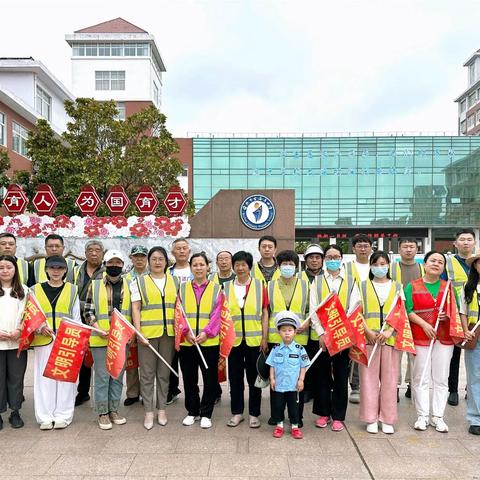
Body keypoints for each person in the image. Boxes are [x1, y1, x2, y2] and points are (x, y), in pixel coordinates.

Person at [406, 251, 464, 433]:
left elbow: (455, 311)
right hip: (420, 337)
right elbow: (408, 310)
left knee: (441, 378)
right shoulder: (412, 286)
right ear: (424, 263)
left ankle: (438, 416)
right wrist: (424, 324)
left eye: (440, 262)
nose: (436, 264)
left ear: (443, 267)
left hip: (443, 338)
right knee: (420, 377)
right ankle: (422, 416)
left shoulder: (449, 287)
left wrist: (447, 315)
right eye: (433, 260)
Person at [308, 245, 359, 432]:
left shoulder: (351, 281)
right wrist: (321, 333)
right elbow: (313, 309)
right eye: (328, 257)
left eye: (335, 256)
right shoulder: (318, 281)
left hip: (342, 336)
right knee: (322, 376)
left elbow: (354, 308)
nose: (332, 260)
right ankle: (323, 413)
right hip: (322, 338)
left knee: (340, 377)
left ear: (341, 258)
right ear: (324, 260)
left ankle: (338, 416)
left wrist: (340, 330)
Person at [30, 255, 81, 430]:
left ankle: (63, 415)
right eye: (52, 268)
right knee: (44, 379)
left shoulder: (73, 290)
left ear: (65, 270)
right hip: (44, 340)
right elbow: (30, 316)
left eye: (60, 268)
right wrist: (39, 327)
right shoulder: (34, 290)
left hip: (67, 340)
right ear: (46, 270)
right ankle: (45, 416)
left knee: (66, 379)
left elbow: (76, 318)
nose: (56, 271)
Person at [131, 247, 179, 430]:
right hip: (147, 336)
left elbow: (178, 308)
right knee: (147, 374)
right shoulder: (139, 282)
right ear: (149, 262)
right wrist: (138, 331)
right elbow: (136, 307)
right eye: (154, 259)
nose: (157, 262)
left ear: (166, 262)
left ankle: (162, 410)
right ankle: (149, 412)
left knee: (164, 374)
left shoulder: (174, 281)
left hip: (168, 334)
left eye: (161, 259)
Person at [83, 249, 131, 430]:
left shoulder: (130, 284)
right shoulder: (94, 285)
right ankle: (102, 412)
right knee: (102, 377)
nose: (114, 266)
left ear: (122, 265)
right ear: (105, 264)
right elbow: (88, 311)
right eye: (111, 263)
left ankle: (114, 410)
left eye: (118, 263)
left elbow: (132, 313)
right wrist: (98, 328)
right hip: (100, 339)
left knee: (117, 376)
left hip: (121, 340)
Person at [359, 251, 403, 434]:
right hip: (368, 339)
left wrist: (389, 331)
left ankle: (387, 419)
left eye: (383, 264)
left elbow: (401, 312)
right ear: (370, 266)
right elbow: (356, 311)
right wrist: (367, 331)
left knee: (389, 380)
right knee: (368, 380)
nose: (379, 268)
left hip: (389, 339)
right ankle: (370, 418)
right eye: (376, 264)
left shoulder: (397, 286)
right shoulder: (362, 286)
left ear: (389, 265)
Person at [223, 251, 268, 428]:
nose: (240, 268)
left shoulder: (259, 285)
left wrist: (264, 337)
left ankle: (254, 414)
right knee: (235, 378)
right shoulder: (225, 287)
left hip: (254, 340)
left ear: (249, 267)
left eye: (244, 264)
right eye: (237, 264)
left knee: (254, 378)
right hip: (233, 341)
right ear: (233, 266)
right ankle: (237, 413)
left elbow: (265, 313)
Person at [178, 252, 222, 429]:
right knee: (189, 378)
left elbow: (218, 315)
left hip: (208, 342)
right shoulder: (182, 288)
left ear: (207, 267)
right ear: (190, 267)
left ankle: (206, 413)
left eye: (201, 264)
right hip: (187, 342)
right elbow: (178, 313)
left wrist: (207, 333)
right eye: (195, 264)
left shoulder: (217, 289)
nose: (198, 268)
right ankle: (192, 411)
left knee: (210, 378)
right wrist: (186, 331)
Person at [267, 250, 309, 426]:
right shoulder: (270, 285)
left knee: (296, 380)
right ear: (278, 265)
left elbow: (309, 309)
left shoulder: (305, 285)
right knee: (276, 377)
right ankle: (276, 416)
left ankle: (296, 417)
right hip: (276, 337)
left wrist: (306, 323)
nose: (288, 267)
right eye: (284, 264)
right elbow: (266, 311)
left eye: (291, 264)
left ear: (296, 266)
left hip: (299, 338)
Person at [442, 229, 476, 407]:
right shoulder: (448, 263)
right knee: (453, 355)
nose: (465, 242)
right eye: (462, 239)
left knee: (474, 356)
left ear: (474, 243)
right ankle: (452, 390)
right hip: (454, 314)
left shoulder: (477, 263)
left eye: (469, 239)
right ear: (455, 244)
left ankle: (470, 391)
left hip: (475, 316)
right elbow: (442, 286)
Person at [267, 311, 310, 439]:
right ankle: (279, 425)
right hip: (279, 386)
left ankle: (295, 426)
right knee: (278, 406)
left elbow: (303, 366)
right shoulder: (275, 349)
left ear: (295, 332)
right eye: (284, 330)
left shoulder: (299, 349)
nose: (287, 332)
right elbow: (271, 365)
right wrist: (272, 379)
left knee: (294, 407)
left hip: (293, 386)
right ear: (279, 332)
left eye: (290, 330)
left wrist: (301, 380)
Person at [391, 238, 424, 400]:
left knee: (414, 352)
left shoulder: (422, 268)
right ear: (399, 249)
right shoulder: (391, 268)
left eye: (412, 247)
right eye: (405, 247)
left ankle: (412, 385)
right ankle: (394, 386)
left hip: (416, 316)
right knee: (395, 353)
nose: (409, 250)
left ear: (416, 250)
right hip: (396, 316)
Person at [75, 240, 105, 407]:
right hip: (78, 320)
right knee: (82, 358)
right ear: (85, 253)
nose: (94, 253)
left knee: (99, 358)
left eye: (98, 250)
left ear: (102, 253)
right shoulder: (76, 270)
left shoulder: (108, 272)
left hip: (99, 322)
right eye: (90, 250)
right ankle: (83, 392)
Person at [0, 255, 28, 429]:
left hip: (17, 343)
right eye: (1, 267)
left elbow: (29, 314)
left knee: (16, 379)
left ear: (15, 270)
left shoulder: (24, 290)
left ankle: (15, 412)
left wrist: (19, 331)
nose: (4, 271)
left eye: (8, 267)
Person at [346, 234, 373, 404]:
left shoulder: (379, 264)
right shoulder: (347, 267)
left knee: (374, 353)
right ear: (354, 248)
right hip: (353, 314)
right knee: (355, 351)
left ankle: (371, 386)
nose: (363, 248)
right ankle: (355, 386)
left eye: (366, 245)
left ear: (371, 248)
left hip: (374, 315)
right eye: (359, 246)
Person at [167, 237, 193, 405]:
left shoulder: (197, 269)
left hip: (193, 321)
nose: (182, 251)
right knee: (172, 358)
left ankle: (213, 391)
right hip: (173, 321)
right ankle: (172, 390)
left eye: (184, 248)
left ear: (189, 251)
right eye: (179, 248)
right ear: (173, 252)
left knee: (193, 359)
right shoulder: (167, 272)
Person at [123, 245, 149, 407]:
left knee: (147, 364)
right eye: (136, 256)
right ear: (131, 258)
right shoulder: (125, 278)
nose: (139, 259)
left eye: (142, 256)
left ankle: (146, 394)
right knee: (131, 363)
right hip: (129, 324)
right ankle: (132, 393)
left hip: (147, 325)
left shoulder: (153, 276)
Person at [299, 243, 324, 403]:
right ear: (305, 260)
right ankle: (306, 388)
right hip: (302, 326)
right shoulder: (299, 277)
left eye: (317, 257)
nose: (314, 261)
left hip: (319, 327)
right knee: (305, 358)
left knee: (318, 361)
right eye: (311, 258)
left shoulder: (327, 278)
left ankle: (317, 390)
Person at [459, 249, 480, 435]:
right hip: (474, 336)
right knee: (474, 378)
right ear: (475, 265)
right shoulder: (468, 286)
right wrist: (465, 330)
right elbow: (463, 312)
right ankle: (475, 418)